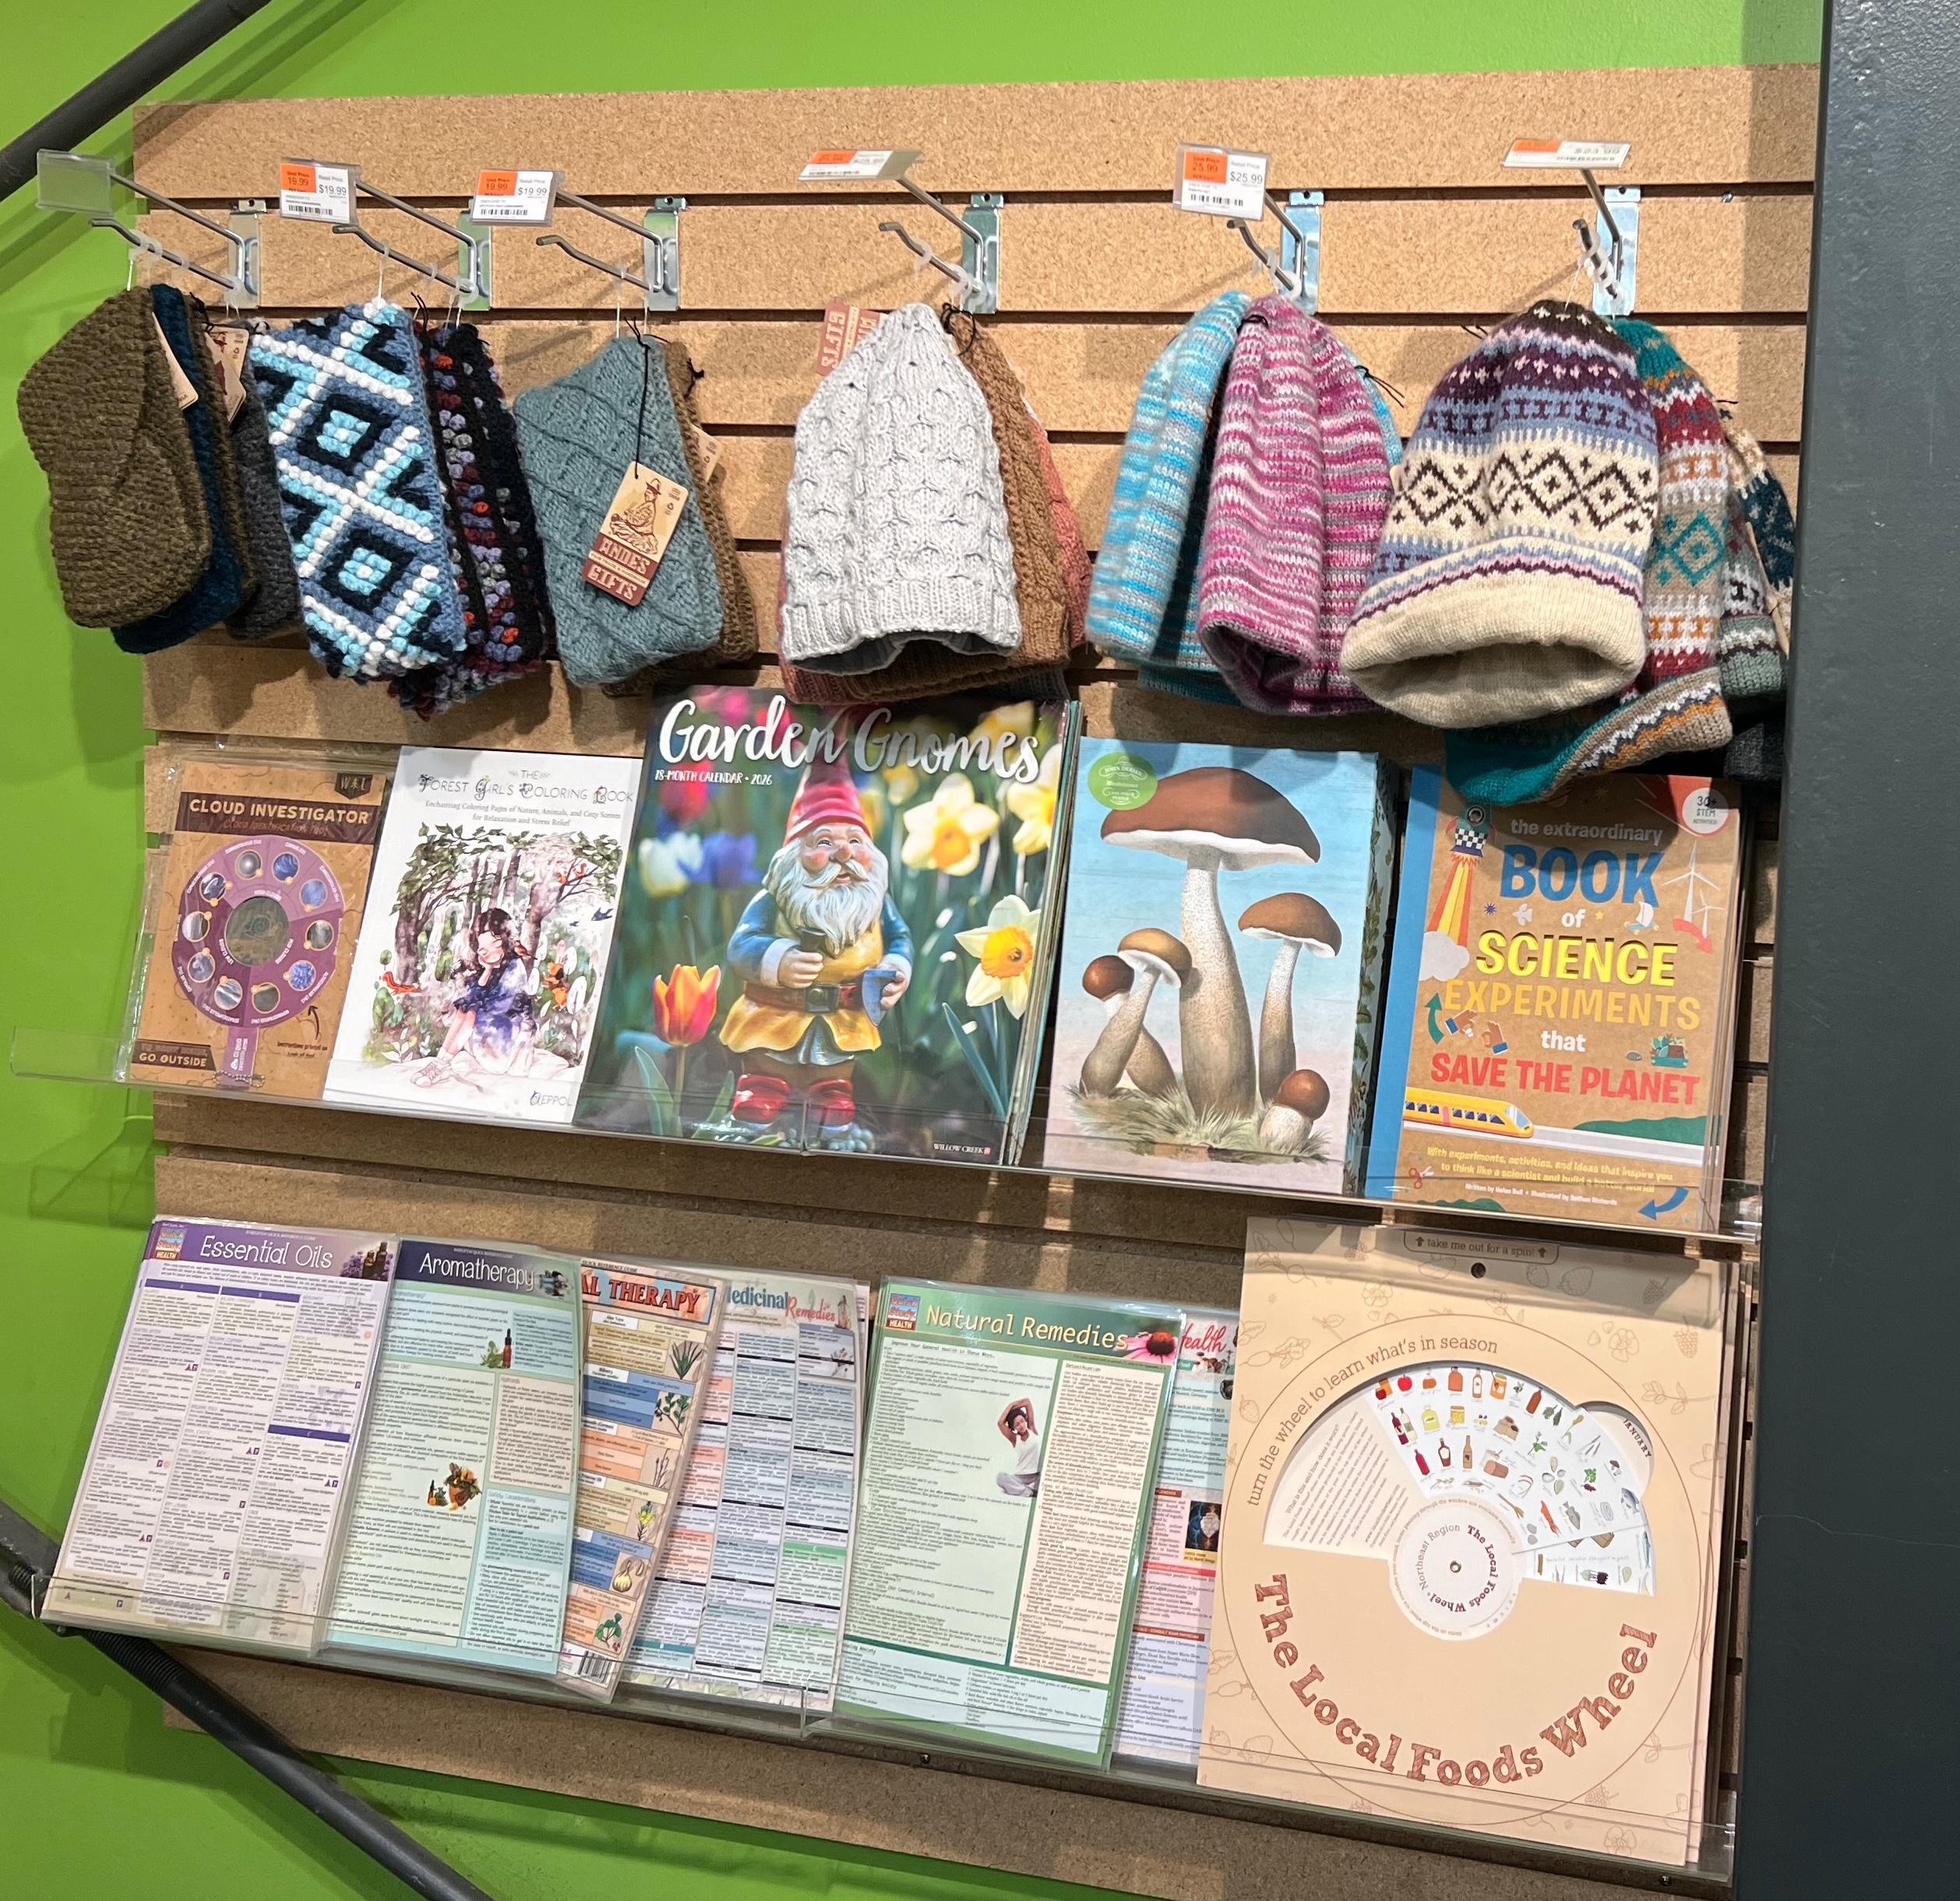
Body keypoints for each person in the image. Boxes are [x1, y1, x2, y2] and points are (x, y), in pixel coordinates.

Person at [720, 753, 912, 1139]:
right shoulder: (775, 899)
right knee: (767, 1073)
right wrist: (777, 960)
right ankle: (761, 1096)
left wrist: (896, 967)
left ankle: (831, 1100)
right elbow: (741, 945)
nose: (844, 854)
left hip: (845, 1018)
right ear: (794, 855)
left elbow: (899, 938)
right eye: (824, 842)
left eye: (855, 841)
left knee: (834, 1079)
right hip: (776, 1014)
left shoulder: (875, 902)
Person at [416, 908, 536, 1088]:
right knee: (465, 1009)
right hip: (486, 1034)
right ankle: (440, 1062)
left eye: (493, 944)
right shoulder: (492, 967)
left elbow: (501, 1007)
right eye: (482, 949)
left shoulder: (514, 967)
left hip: (505, 1040)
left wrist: (476, 1006)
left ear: (503, 941)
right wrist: (487, 970)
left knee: (471, 1012)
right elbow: (473, 995)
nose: (485, 953)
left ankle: (442, 1065)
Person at [996, 1398, 1042, 1497]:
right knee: (1000, 1477)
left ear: (1025, 1420)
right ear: (1013, 1428)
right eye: (1017, 1424)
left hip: (1038, 1474)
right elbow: (1000, 1423)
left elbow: (1027, 1402)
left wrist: (1013, 1407)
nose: (1021, 1425)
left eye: (1022, 1421)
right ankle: (1030, 1492)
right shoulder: (1015, 1439)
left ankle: (1024, 1488)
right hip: (1021, 1477)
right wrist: (1010, 1405)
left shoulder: (1032, 1429)